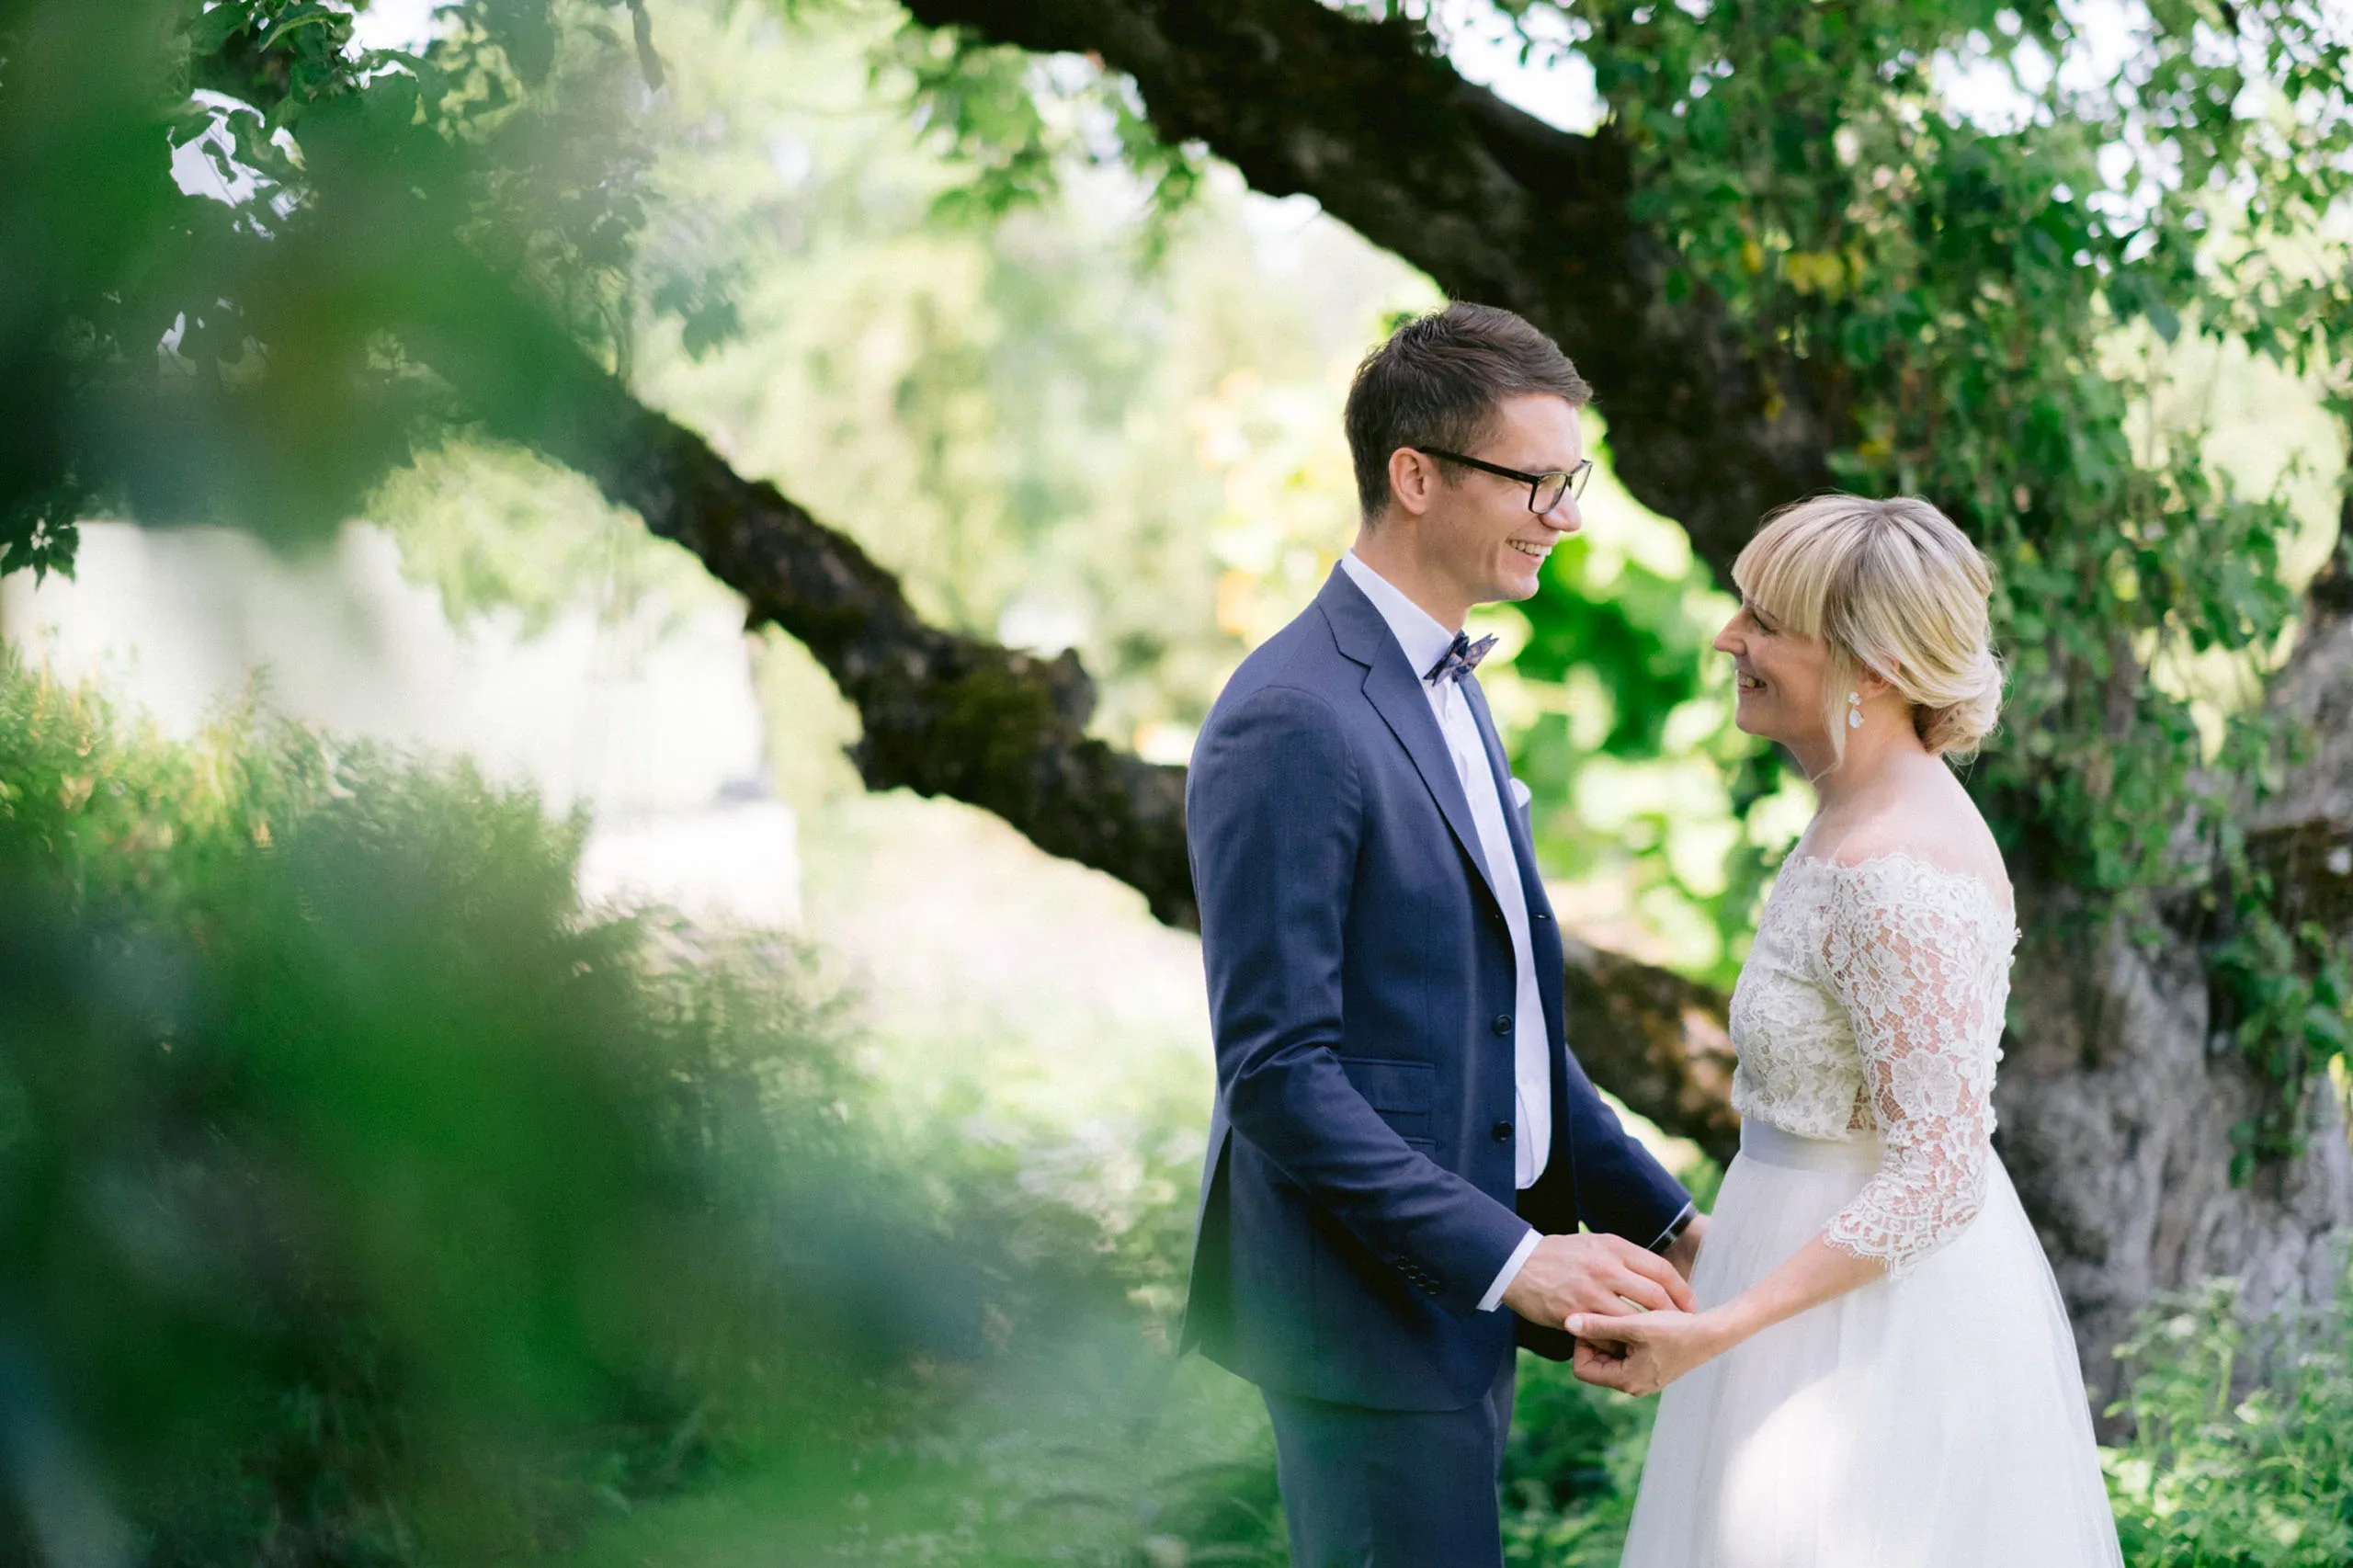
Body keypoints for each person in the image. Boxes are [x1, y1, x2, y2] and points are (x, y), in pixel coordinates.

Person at [1179, 301, 1704, 1568]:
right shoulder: (1292, 714)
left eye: (1570, 480)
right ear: (1414, 476)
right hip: (1360, 1324)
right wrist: (1516, 1259)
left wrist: (1669, 1220)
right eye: (1535, 481)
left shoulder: (1451, 687)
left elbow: (1500, 1023)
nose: (1563, 515)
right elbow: (1278, 1074)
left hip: (1447, 1309)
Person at [1567, 494, 2124, 1567]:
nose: (1727, 637)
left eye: (1765, 622)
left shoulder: (1895, 867)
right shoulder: (1849, 811)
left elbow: (1939, 1173)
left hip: (1869, 1341)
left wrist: (1720, 1325)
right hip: (1796, 1277)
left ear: (1872, 667)